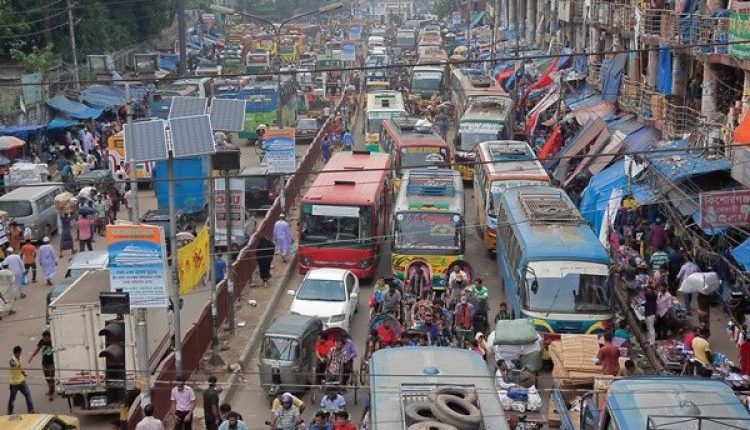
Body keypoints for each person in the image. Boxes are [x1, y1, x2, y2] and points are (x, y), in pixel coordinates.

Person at [8, 345, 35, 414]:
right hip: (14, 383)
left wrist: (23, 373)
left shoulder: (19, 358)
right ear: (15, 353)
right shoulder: (12, 359)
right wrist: (13, 364)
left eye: (20, 353)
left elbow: (20, 367)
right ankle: (10, 411)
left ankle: (31, 410)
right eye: (18, 353)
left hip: (22, 381)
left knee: (28, 395)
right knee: (12, 399)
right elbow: (11, 363)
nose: (19, 354)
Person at [28, 330, 55, 400]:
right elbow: (37, 349)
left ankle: (51, 394)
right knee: (47, 378)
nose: (46, 339)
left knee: (51, 378)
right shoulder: (41, 341)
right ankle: (51, 389)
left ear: (49, 337)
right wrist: (32, 356)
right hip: (44, 363)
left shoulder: (52, 342)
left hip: (51, 363)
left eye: (47, 337)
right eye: (45, 337)